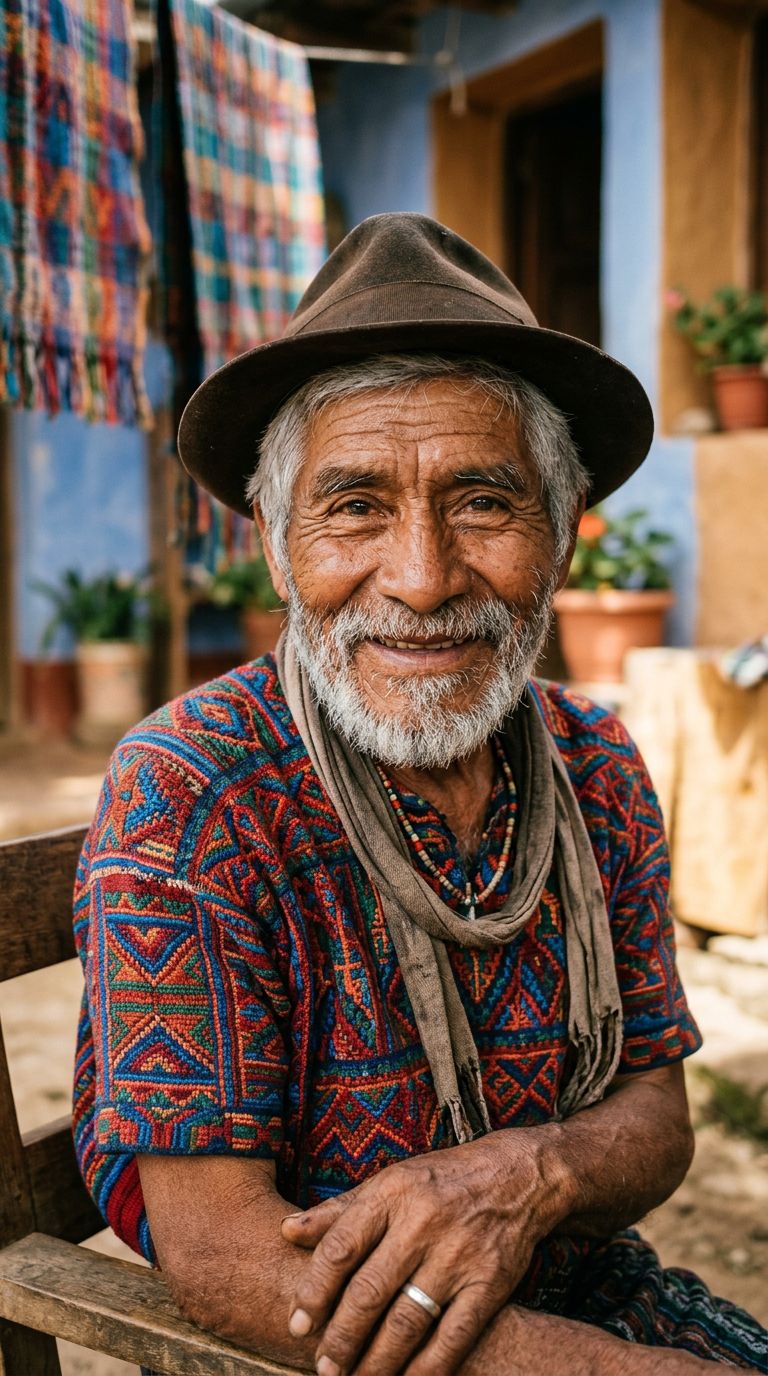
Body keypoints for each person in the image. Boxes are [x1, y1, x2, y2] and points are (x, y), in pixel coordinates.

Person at [72, 213, 768, 1376]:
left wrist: (531, 1169)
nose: (423, 577)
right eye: (354, 505)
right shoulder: (193, 792)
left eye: (483, 501)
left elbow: (657, 1113)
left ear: (563, 537)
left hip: (581, 1286)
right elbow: (223, 1252)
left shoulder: (596, 762)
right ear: (278, 544)